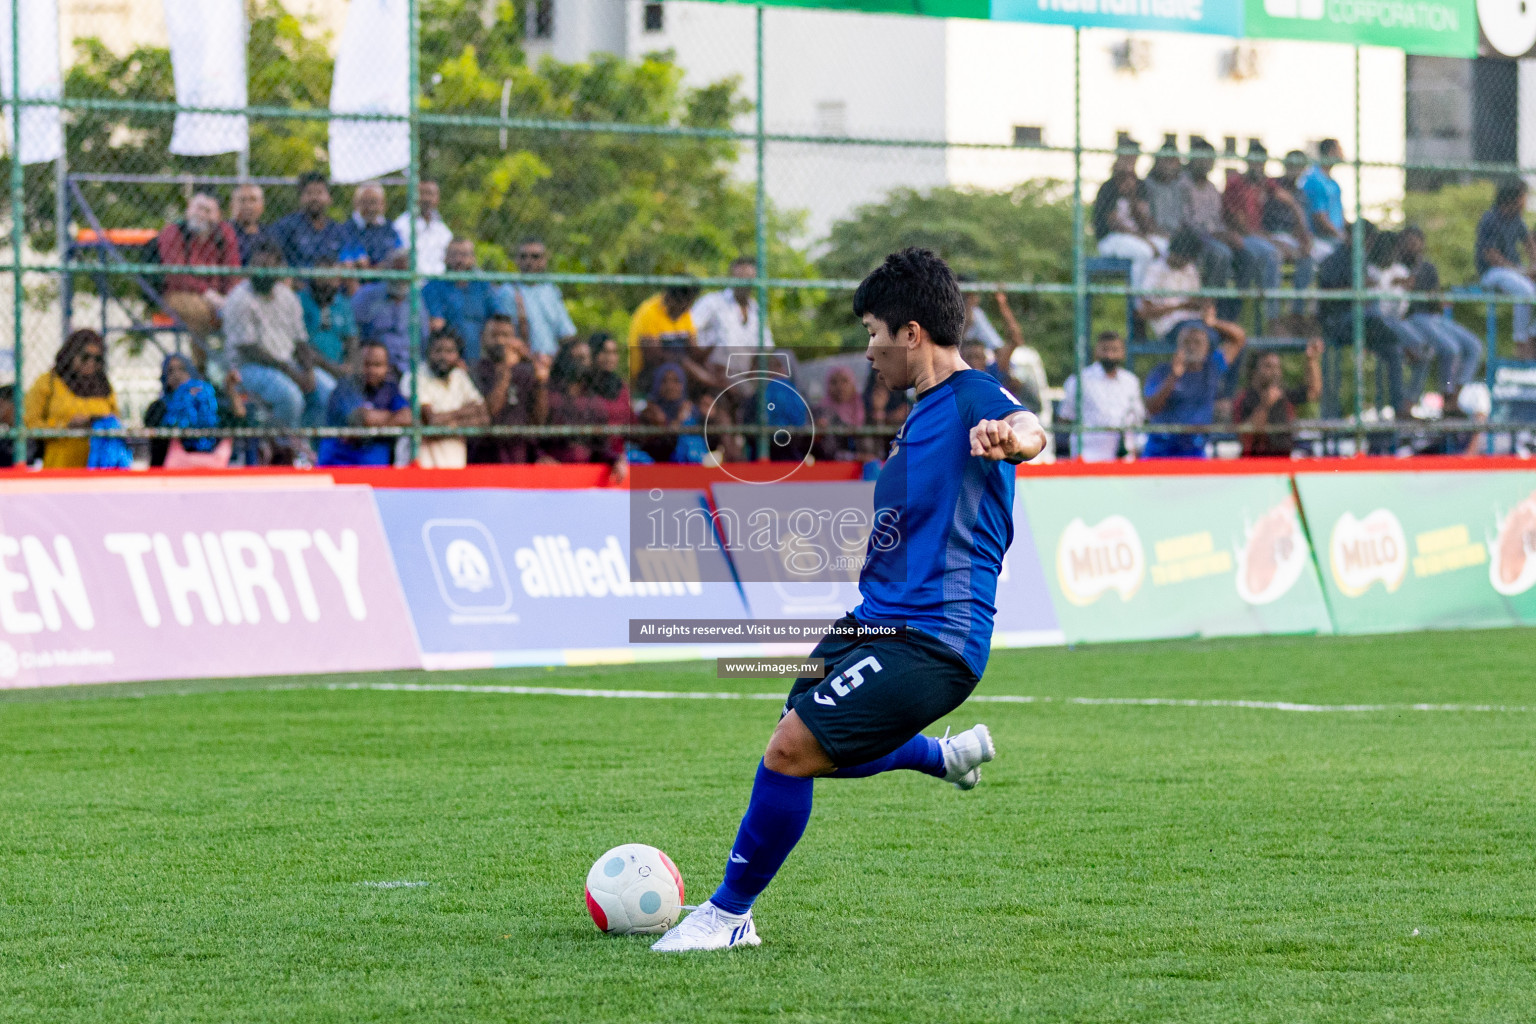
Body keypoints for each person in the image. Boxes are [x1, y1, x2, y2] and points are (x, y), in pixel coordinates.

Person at [650, 247, 1046, 953]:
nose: (868, 349)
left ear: (912, 333)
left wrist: (1011, 440)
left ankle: (728, 915)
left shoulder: (970, 397)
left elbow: (1030, 427)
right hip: (873, 622)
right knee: (798, 735)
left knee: (791, 749)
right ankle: (939, 758)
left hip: (935, 638)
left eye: (872, 331)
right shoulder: (920, 413)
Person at [222, 240, 337, 429]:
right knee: (290, 397)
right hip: (247, 368)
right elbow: (248, 349)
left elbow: (300, 340)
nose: (262, 271)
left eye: (268, 266)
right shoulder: (239, 298)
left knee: (328, 391)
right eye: (257, 266)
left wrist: (307, 370)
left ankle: (310, 448)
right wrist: (291, 371)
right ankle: (284, 449)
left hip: (287, 364)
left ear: (279, 268)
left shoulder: (287, 295)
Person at [1316, 226, 1409, 420]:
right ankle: (1333, 414)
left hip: (1362, 321)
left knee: (1392, 347)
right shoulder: (1335, 259)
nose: (1366, 244)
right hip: (1338, 321)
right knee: (1383, 328)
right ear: (1349, 236)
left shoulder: (1361, 259)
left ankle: (1398, 406)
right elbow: (1331, 296)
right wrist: (1358, 288)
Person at [1399, 225, 1483, 415]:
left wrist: (1437, 298)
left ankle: (1453, 400)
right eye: (1409, 242)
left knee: (1474, 346)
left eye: (1416, 242)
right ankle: (1446, 395)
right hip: (1413, 317)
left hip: (1434, 318)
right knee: (1450, 348)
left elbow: (1437, 299)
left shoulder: (1427, 267)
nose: (1413, 246)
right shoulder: (1398, 266)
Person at [1224, 141, 1308, 321]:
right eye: (1255, 162)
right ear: (1247, 161)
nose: (1258, 167)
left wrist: (1304, 234)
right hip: (1241, 237)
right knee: (1272, 254)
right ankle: (1273, 318)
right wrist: (1274, 242)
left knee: (1305, 255)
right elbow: (1243, 228)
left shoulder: (1265, 183)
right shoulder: (1236, 184)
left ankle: (1297, 315)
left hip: (1262, 236)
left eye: (1261, 163)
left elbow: (1291, 202)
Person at [1142, 322, 1246, 459]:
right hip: (1161, 448)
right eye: (1186, 342)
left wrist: (1213, 322)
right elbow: (1151, 408)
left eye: (1197, 342)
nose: (1191, 347)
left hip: (1194, 449)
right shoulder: (1161, 371)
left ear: (1207, 347)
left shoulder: (1213, 367)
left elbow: (1239, 338)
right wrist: (1174, 376)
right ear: (1178, 346)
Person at [23, 329, 118, 468]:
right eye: (85, 357)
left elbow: (116, 420)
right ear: (71, 354)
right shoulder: (48, 382)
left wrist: (100, 422)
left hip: (99, 467)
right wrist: (66, 426)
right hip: (59, 467)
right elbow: (30, 424)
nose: (91, 363)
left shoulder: (103, 386)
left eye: (97, 359)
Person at [157, 192, 242, 344]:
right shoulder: (174, 232)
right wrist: (208, 293)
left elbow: (233, 271)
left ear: (218, 215)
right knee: (201, 313)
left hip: (219, 295)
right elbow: (177, 275)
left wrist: (230, 297)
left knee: (241, 307)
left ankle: (234, 361)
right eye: (198, 208)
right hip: (180, 292)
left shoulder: (224, 233)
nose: (202, 215)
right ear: (189, 210)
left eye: (208, 211)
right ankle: (200, 366)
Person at [142, 353, 246, 468]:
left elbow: (238, 418)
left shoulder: (209, 402)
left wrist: (230, 388)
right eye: (171, 371)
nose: (177, 375)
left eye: (182, 369)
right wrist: (180, 404)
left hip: (209, 470)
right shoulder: (160, 407)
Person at [317, 341, 411, 466]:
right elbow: (361, 419)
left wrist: (375, 419)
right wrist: (391, 417)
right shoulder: (345, 387)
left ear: (387, 367)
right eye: (366, 364)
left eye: (377, 365)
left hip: (376, 468)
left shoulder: (390, 389)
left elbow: (407, 417)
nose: (371, 370)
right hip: (339, 463)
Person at [471, 314, 548, 464]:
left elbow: (539, 419)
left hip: (520, 454)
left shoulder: (526, 372)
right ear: (483, 338)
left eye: (505, 335)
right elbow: (489, 413)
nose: (500, 341)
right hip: (486, 454)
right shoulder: (475, 371)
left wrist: (540, 383)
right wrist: (505, 369)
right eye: (494, 335)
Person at [1058, 331, 1145, 462]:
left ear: (1123, 352)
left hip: (1124, 457)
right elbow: (1065, 418)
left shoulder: (1131, 381)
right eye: (1105, 350)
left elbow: (1138, 418)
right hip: (1089, 457)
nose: (1109, 355)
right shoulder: (1079, 380)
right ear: (1096, 352)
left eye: (1115, 350)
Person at [1475, 177, 1536, 361]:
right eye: (1524, 197)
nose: (1525, 201)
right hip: (1492, 273)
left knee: (1527, 286)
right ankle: (1521, 341)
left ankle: (1532, 334)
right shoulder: (1491, 218)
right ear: (1514, 198)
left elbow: (1529, 243)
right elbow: (1491, 256)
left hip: (1514, 272)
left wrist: (1533, 266)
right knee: (1524, 290)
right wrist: (1522, 271)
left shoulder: (1516, 219)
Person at [1182, 137, 1241, 321]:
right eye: (1202, 158)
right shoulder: (1183, 185)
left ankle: (1234, 309)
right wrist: (1218, 235)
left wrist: (1228, 234)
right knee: (1221, 253)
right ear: (1192, 159)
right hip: (1193, 238)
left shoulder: (1212, 188)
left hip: (1215, 236)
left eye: (1210, 159)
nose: (1206, 163)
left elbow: (1218, 221)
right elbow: (1188, 224)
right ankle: (1212, 306)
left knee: (1245, 251)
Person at [423, 237, 509, 362]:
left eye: (464, 255)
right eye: (453, 255)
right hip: (450, 358)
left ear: (473, 258)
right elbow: (437, 326)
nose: (459, 260)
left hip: (482, 356)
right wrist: (454, 359)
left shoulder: (483, 286)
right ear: (445, 258)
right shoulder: (434, 286)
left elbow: (499, 319)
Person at [1232, 340, 1323, 457]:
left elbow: (1314, 392)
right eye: (1268, 366)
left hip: (1283, 460)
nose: (1275, 372)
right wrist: (1265, 405)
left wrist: (1312, 360)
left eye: (1277, 367)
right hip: (1255, 464)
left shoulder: (1283, 395)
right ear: (1254, 371)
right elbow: (1245, 436)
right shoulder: (1244, 398)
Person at [416, 329, 489, 469]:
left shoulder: (459, 376)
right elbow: (432, 421)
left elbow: (483, 419)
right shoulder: (417, 375)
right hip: (424, 469)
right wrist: (464, 413)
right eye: (438, 351)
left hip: (456, 467)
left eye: (449, 351)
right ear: (428, 353)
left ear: (458, 355)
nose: (443, 356)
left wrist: (448, 420)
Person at [499, 237, 578, 358]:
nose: (529, 261)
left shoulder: (551, 291)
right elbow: (503, 335)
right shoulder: (508, 291)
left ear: (544, 260)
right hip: (522, 360)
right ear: (517, 260)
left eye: (535, 256)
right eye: (523, 257)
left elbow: (566, 332)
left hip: (551, 360)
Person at [1092, 148, 1162, 285]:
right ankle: (1137, 300)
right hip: (1111, 239)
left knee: (1164, 248)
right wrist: (1144, 240)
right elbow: (1115, 225)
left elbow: (1145, 223)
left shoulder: (1139, 186)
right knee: (1144, 253)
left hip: (1138, 237)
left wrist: (1132, 196)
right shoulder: (1108, 188)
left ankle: (1156, 298)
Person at [352, 250, 426, 377]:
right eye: (397, 270)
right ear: (387, 269)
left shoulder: (417, 300)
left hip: (409, 368)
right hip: (375, 367)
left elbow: (424, 337)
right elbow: (355, 332)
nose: (400, 277)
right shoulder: (367, 296)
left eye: (405, 271)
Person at [628, 283, 707, 393]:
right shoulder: (649, 312)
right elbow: (654, 356)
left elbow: (693, 348)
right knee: (674, 373)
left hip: (680, 369)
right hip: (649, 374)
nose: (686, 308)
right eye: (684, 305)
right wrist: (685, 363)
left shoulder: (685, 313)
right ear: (672, 299)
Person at [692, 257, 772, 363]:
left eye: (748, 278)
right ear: (731, 277)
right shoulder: (712, 302)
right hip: (716, 371)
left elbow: (767, 345)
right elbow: (689, 329)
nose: (743, 282)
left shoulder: (756, 309)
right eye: (739, 277)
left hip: (747, 372)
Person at [543, 338, 603, 463]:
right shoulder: (549, 393)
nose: (581, 364)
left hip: (586, 469)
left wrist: (615, 459)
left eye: (585, 359)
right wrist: (541, 456)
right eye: (577, 358)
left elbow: (601, 444)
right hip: (552, 467)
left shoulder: (592, 398)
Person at [268, 171, 343, 269]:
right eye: (309, 193)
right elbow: (276, 258)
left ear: (329, 198)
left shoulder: (338, 229)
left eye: (319, 192)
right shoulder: (286, 226)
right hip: (297, 282)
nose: (314, 197)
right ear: (301, 198)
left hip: (332, 281)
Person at [298, 261, 359, 381]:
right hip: (309, 366)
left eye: (332, 279)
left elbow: (351, 338)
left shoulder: (342, 304)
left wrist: (349, 364)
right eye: (322, 279)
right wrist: (332, 368)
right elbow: (301, 345)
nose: (327, 284)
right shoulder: (301, 301)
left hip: (339, 366)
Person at [586, 333, 633, 471]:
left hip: (620, 454)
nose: (610, 358)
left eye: (614, 353)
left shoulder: (621, 386)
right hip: (594, 453)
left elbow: (630, 420)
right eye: (605, 352)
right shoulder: (585, 385)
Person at [637, 362, 698, 463]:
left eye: (675, 381)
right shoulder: (649, 411)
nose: (670, 386)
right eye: (664, 381)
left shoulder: (692, 410)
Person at [336, 181, 401, 275]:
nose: (370, 208)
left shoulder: (390, 228)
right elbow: (350, 259)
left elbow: (399, 252)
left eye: (373, 202)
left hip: (387, 279)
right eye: (365, 202)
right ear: (356, 204)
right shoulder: (348, 228)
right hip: (358, 279)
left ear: (383, 205)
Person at [391, 179, 453, 275]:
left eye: (431, 194)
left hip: (439, 283)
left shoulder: (443, 230)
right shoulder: (400, 226)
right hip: (412, 283)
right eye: (422, 193)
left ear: (437, 198)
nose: (426, 199)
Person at [1297, 139, 1348, 257]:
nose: (1342, 154)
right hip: (1320, 239)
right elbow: (1319, 217)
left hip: (1336, 237)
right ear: (1331, 152)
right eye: (1339, 150)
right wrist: (1341, 236)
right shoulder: (1315, 179)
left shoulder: (1333, 183)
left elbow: (1341, 215)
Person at [812, 365, 864, 461]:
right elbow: (826, 451)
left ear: (853, 384)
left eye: (844, 381)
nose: (839, 387)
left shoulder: (864, 409)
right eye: (834, 382)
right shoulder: (819, 412)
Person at [230, 182, 268, 266]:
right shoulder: (223, 232)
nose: (248, 205)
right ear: (232, 205)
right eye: (242, 200)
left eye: (253, 200)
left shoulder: (268, 233)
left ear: (262, 206)